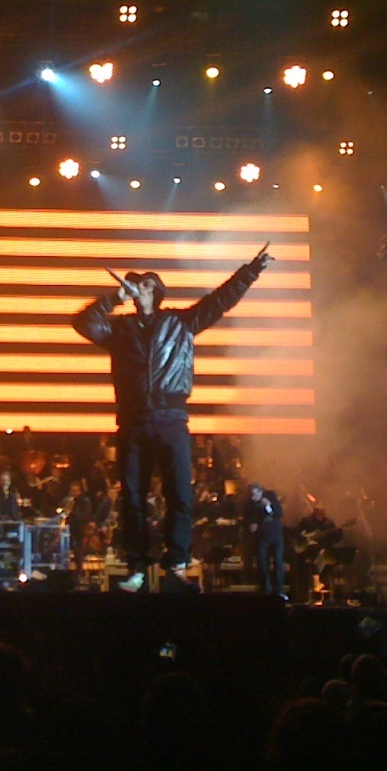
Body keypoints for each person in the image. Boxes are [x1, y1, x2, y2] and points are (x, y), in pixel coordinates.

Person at [72, 247, 274, 592]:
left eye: (145, 284)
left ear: (157, 291)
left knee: (180, 493)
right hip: (133, 421)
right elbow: (83, 323)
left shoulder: (180, 322)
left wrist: (250, 271)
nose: (138, 288)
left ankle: (176, 563)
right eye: (135, 284)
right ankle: (137, 565)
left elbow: (220, 301)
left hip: (171, 418)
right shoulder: (121, 329)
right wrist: (115, 298)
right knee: (132, 497)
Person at [292, 503, 343, 601]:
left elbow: (336, 539)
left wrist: (340, 531)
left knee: (331, 560)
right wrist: (304, 537)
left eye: (322, 513)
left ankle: (321, 581)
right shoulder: (306, 521)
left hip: (325, 550)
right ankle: (316, 580)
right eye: (318, 513)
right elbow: (295, 533)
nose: (320, 515)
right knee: (314, 555)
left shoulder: (329, 523)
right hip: (309, 550)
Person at [243, 483, 286, 598]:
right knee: (262, 563)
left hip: (275, 534)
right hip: (261, 536)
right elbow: (247, 517)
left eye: (255, 494)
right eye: (251, 495)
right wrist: (251, 524)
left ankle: (278, 590)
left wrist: (268, 506)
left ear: (260, 492)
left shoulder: (271, 497)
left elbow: (278, 513)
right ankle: (265, 589)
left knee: (278, 562)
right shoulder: (249, 504)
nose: (253, 497)